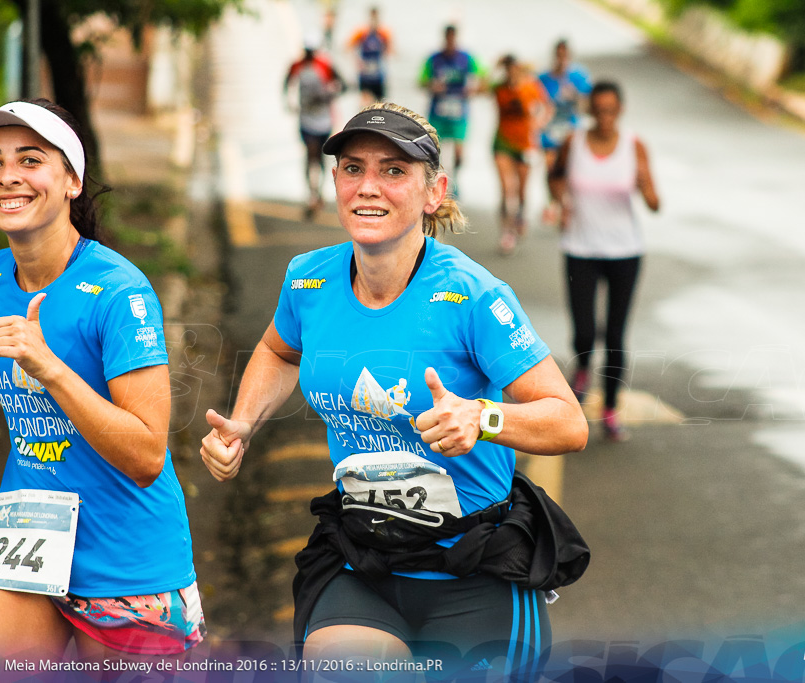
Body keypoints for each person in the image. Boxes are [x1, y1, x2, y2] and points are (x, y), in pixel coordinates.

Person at [200, 103, 589, 680]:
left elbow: (567, 421)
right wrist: (244, 423)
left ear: (434, 192)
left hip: (474, 572)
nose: (368, 188)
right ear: (334, 181)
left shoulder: (473, 295)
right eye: (353, 169)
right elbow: (281, 351)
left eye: (393, 171)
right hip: (367, 563)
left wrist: (481, 417)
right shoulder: (308, 280)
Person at [0, 99, 204, 664]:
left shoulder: (120, 292)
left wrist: (50, 369)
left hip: (128, 562)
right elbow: (12, 352)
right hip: (29, 538)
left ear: (72, 180)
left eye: (30, 159)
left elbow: (147, 454)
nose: (7, 176)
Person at [547, 81, 660, 441]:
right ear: (590, 110)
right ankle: (582, 367)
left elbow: (655, 203)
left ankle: (610, 409)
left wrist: (645, 185)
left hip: (625, 251)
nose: (605, 117)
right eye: (599, 110)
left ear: (620, 110)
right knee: (583, 331)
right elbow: (555, 176)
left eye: (611, 110)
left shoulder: (634, 145)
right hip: (580, 247)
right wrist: (560, 202)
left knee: (614, 334)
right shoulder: (574, 142)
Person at [492, 55, 553, 255]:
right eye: (507, 70)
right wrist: (495, 67)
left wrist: (539, 123)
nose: (510, 74)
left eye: (514, 70)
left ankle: (520, 216)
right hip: (503, 143)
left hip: (525, 145)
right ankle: (506, 231)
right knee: (506, 188)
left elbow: (547, 107)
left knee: (521, 190)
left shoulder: (530, 87)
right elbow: (480, 87)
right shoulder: (499, 88)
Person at [419, 25, 486, 198]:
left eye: (453, 38)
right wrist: (432, 86)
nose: (450, 42)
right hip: (438, 112)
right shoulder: (434, 59)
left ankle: (455, 180)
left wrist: (473, 90)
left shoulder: (467, 58)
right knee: (435, 150)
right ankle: (435, 182)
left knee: (459, 153)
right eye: (447, 38)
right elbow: (421, 81)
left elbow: (485, 80)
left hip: (459, 113)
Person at [284, 37, 345, 218]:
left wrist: (327, 96)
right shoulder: (297, 66)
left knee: (320, 156)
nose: (309, 55)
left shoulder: (325, 65)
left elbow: (344, 85)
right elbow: (286, 81)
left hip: (323, 120)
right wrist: (289, 102)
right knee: (310, 153)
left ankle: (318, 191)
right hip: (306, 119)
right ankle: (310, 193)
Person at [539, 40, 591, 225]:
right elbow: (537, 104)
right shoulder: (544, 78)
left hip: (571, 131)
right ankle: (554, 204)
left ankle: (567, 204)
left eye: (564, 55)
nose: (561, 59)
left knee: (569, 170)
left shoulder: (579, 77)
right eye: (558, 55)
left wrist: (575, 96)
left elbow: (587, 106)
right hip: (550, 131)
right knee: (551, 168)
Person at [347, 6, 392, 105]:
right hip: (365, 75)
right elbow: (348, 47)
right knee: (365, 102)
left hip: (378, 75)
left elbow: (391, 51)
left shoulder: (383, 33)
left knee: (381, 104)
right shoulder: (361, 32)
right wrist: (358, 62)